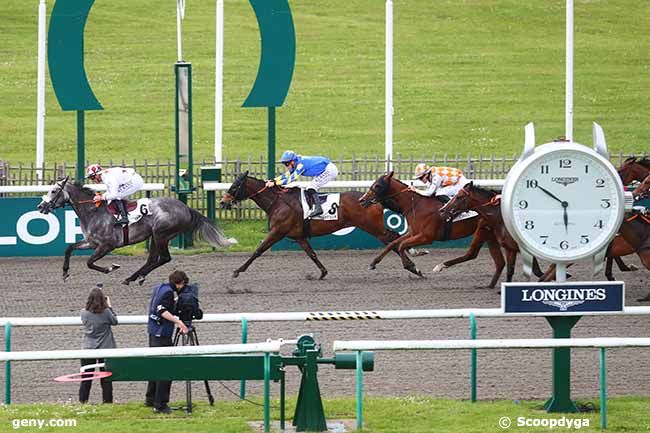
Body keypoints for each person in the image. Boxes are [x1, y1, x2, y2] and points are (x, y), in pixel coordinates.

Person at [145, 270, 190, 414]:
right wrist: (179, 321)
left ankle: (150, 398)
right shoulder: (169, 293)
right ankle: (161, 404)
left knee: (154, 366)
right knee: (166, 368)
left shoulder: (159, 287)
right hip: (162, 334)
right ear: (181, 283)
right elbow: (162, 311)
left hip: (153, 332)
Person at [265, 150, 339, 218]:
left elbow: (291, 179)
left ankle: (318, 208)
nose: (286, 166)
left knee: (311, 187)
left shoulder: (301, 165)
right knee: (310, 188)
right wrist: (273, 180)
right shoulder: (297, 162)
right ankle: (315, 207)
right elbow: (286, 175)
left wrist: (275, 183)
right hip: (324, 169)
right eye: (284, 164)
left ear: (293, 161)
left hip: (329, 170)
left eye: (287, 163)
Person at [79, 285, 118, 404]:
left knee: (86, 379)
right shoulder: (106, 312)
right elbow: (115, 321)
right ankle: (107, 402)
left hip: (88, 349)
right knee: (106, 378)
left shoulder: (83, 313)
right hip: (105, 348)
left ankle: (83, 401)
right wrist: (109, 306)